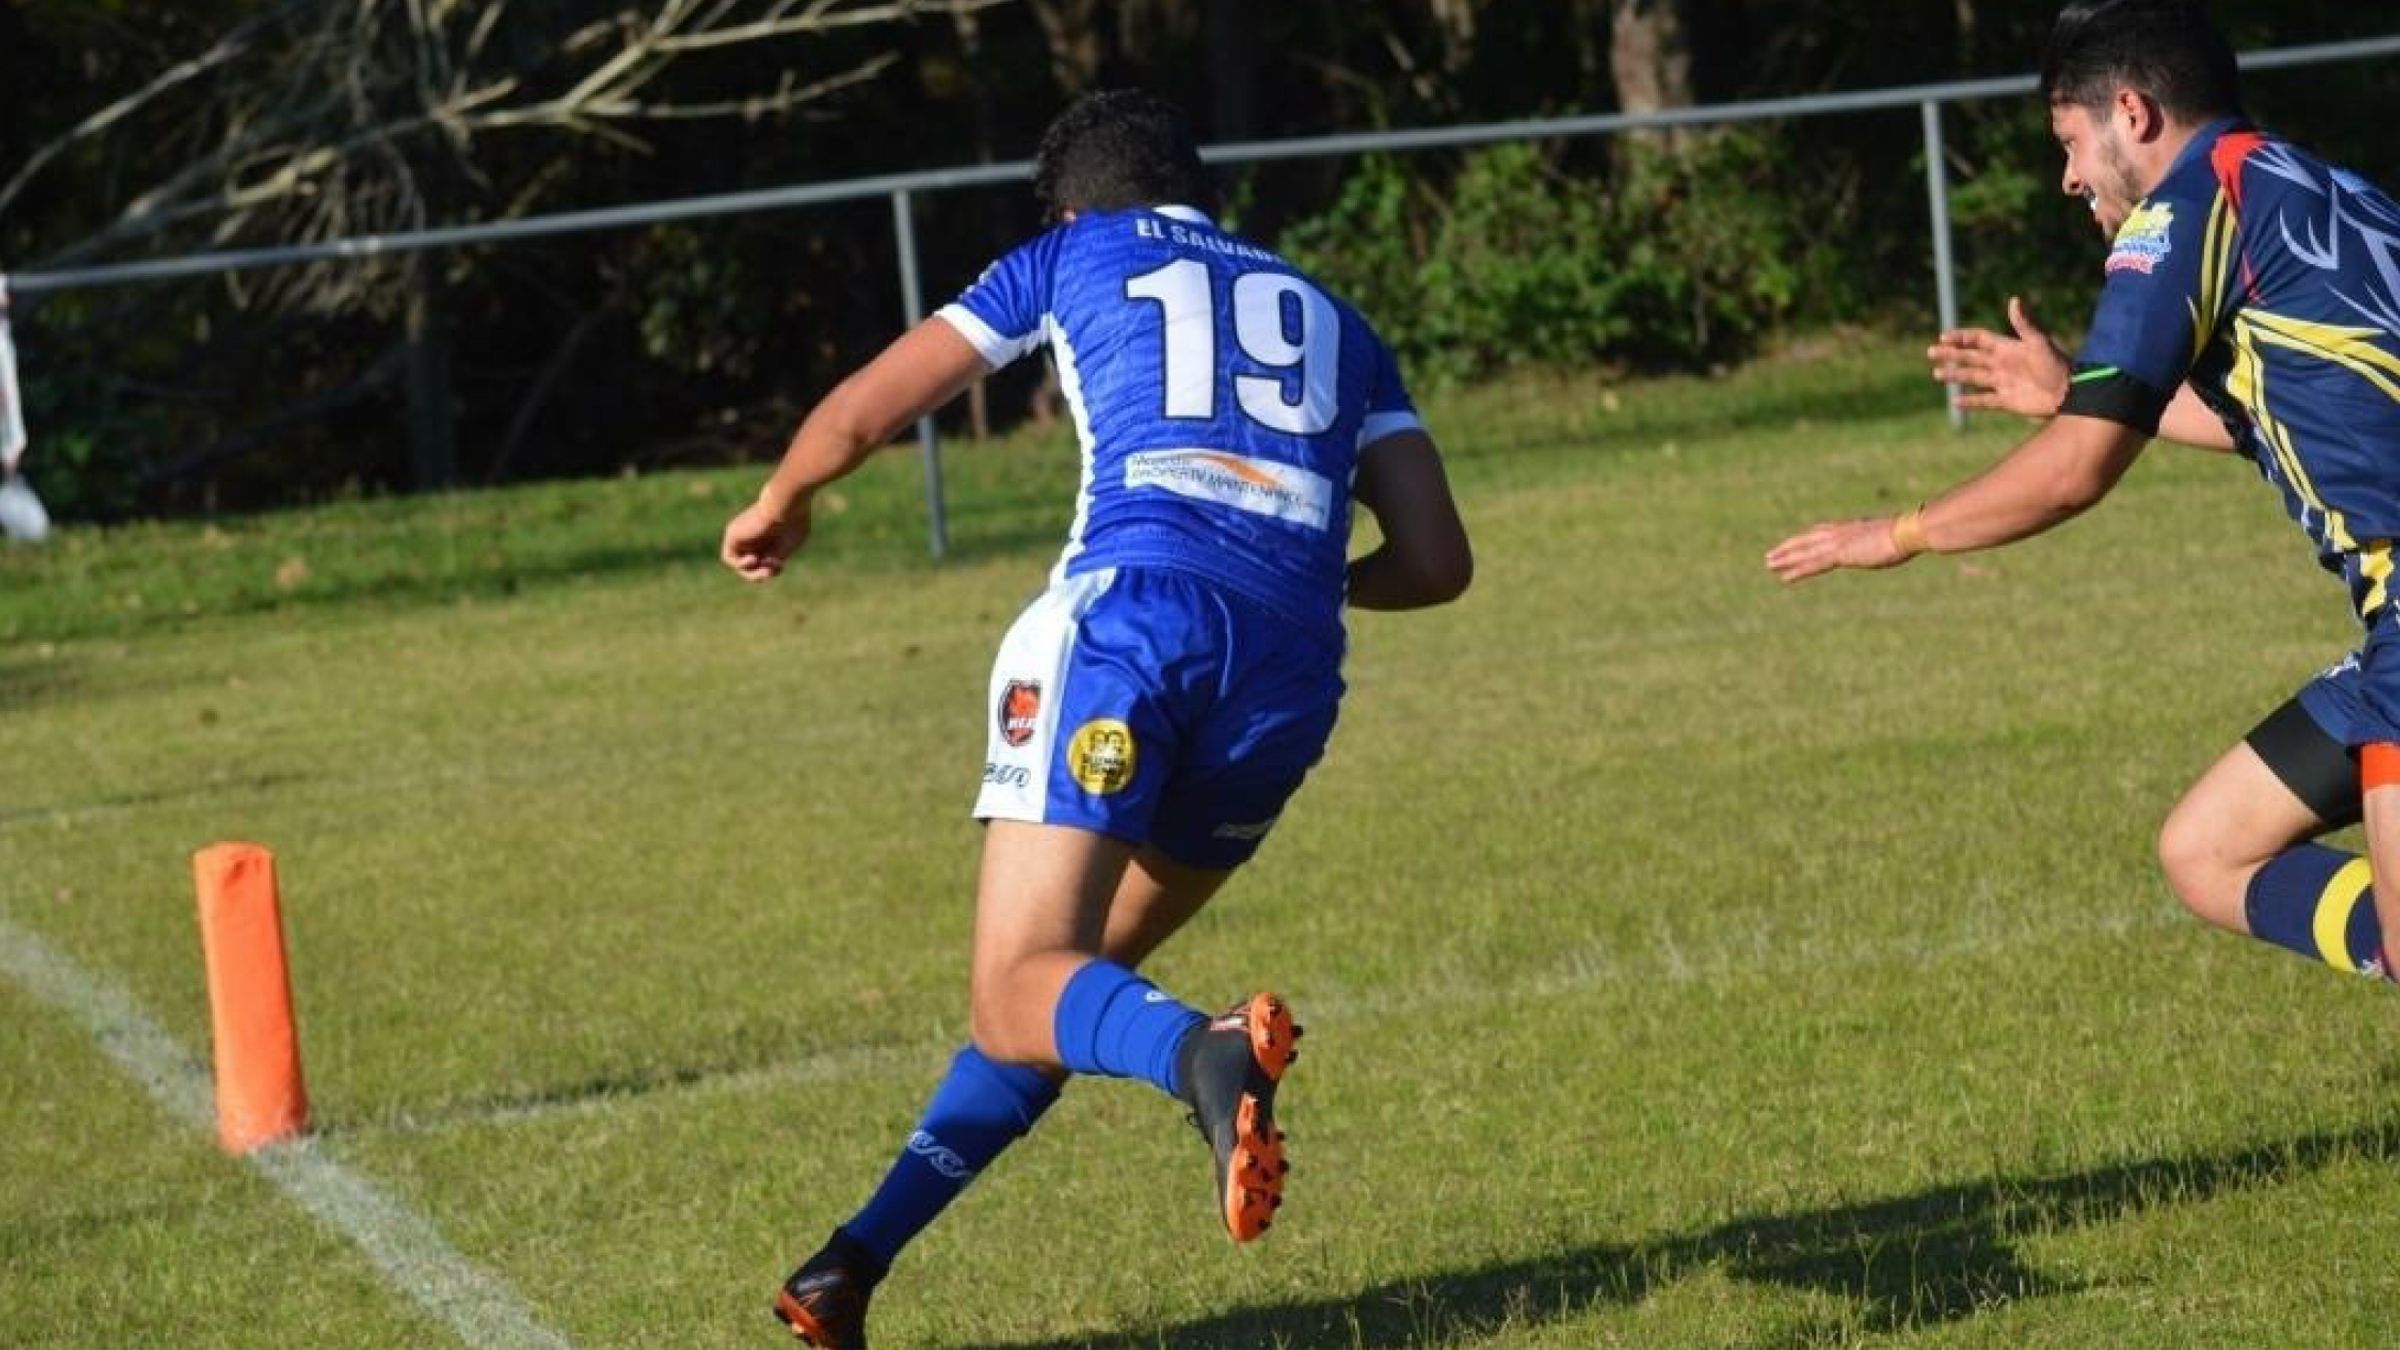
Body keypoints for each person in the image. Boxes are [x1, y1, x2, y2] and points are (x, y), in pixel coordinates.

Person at [721, 90, 1472, 1348]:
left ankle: (1203, 1052)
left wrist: (779, 500)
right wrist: (1294, 581)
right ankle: (849, 1266)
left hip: (1130, 628)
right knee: (1060, 997)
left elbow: (864, 409)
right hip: (1287, 677)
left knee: (1030, 991)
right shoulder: (1339, 321)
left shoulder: (1071, 256)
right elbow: (1438, 561)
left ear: (1071, 209)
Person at [1768, 0, 2400, 994]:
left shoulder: (2184, 211)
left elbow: (2074, 472)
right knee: (2207, 850)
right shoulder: (2314, 187)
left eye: (2070, 141)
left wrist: (1900, 532)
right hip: (2390, 626)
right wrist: (2075, 390)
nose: (2068, 176)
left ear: (2131, 113)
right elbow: (2263, 415)